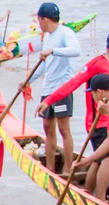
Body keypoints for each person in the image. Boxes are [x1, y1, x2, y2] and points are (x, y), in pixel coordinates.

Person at [22, 2, 83, 172]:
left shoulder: (65, 32)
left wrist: (54, 51)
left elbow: (76, 50)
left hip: (62, 89)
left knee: (64, 129)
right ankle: (49, 168)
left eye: (38, 20)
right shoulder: (47, 37)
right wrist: (27, 81)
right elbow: (43, 65)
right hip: (48, 90)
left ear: (44, 19)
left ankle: (67, 169)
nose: (38, 24)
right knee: (48, 128)